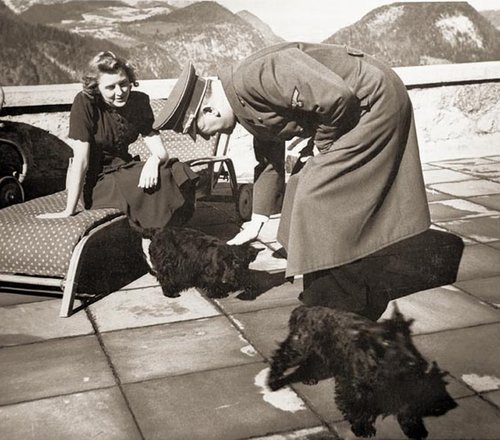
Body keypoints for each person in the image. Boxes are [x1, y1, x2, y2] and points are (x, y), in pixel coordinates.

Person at [153, 42, 432, 318]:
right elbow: (269, 156)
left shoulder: (254, 76)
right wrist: (257, 220)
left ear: (208, 110)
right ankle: (327, 289)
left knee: (320, 197)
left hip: (374, 103)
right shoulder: (241, 98)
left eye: (199, 130)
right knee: (300, 184)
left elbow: (337, 98)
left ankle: (344, 303)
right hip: (355, 108)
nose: (206, 136)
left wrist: (322, 146)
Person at [38, 51, 199, 261]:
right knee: (157, 181)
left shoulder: (139, 101)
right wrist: (69, 209)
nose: (120, 92)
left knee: (177, 169)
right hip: (99, 181)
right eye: (110, 87)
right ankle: (154, 245)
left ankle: (164, 239)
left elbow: (160, 151)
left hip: (126, 168)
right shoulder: (85, 104)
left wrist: (153, 161)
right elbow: (81, 161)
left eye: (124, 83)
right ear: (96, 87)